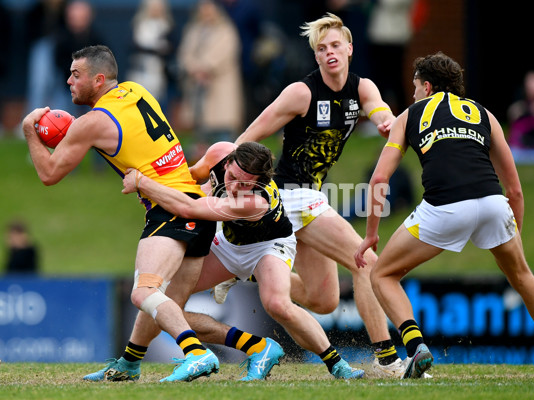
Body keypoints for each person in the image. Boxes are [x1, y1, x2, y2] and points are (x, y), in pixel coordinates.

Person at [354, 51, 534, 379]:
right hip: (493, 204)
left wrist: (370, 234)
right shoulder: (484, 114)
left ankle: (416, 348)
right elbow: (515, 190)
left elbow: (379, 180)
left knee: (382, 275)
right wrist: (512, 233)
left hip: (444, 207)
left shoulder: (411, 114)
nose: (413, 94)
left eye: (415, 88)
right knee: (523, 277)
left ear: (427, 86)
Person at [21, 45, 219, 383]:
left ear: (98, 80)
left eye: (76, 75)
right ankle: (129, 364)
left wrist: (29, 130)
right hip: (198, 207)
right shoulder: (138, 91)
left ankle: (197, 353)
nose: (68, 80)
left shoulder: (93, 122)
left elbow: (49, 174)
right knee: (162, 301)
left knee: (143, 292)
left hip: (168, 209)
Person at [227, 13, 406, 378]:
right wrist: (224, 168)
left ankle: (247, 271)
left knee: (323, 300)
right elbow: (252, 132)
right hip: (290, 195)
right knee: (365, 261)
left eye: (336, 46)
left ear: (350, 49)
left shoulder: (362, 88)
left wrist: (387, 123)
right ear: (316, 57)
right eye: (322, 49)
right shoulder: (302, 92)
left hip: (310, 198)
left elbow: (380, 112)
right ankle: (386, 359)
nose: (330, 53)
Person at [120, 141, 365, 380]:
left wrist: (142, 182)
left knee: (277, 304)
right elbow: (185, 181)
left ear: (260, 182)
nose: (236, 187)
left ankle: (337, 364)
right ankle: (130, 362)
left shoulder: (255, 202)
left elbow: (188, 208)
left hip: (269, 246)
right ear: (227, 162)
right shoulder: (218, 152)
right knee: (165, 303)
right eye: (233, 177)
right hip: (229, 245)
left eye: (245, 184)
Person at [177, 0, 244, 159]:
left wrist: (204, 68)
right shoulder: (193, 30)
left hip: (220, 88)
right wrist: (194, 69)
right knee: (201, 135)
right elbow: (185, 54)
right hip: (198, 89)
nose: (206, 13)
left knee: (224, 138)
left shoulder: (226, 30)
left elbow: (224, 53)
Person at [126, 0, 174, 110]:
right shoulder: (139, 26)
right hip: (139, 70)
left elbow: (170, 49)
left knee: (156, 103)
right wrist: (155, 48)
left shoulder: (167, 27)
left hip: (158, 72)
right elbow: (132, 46)